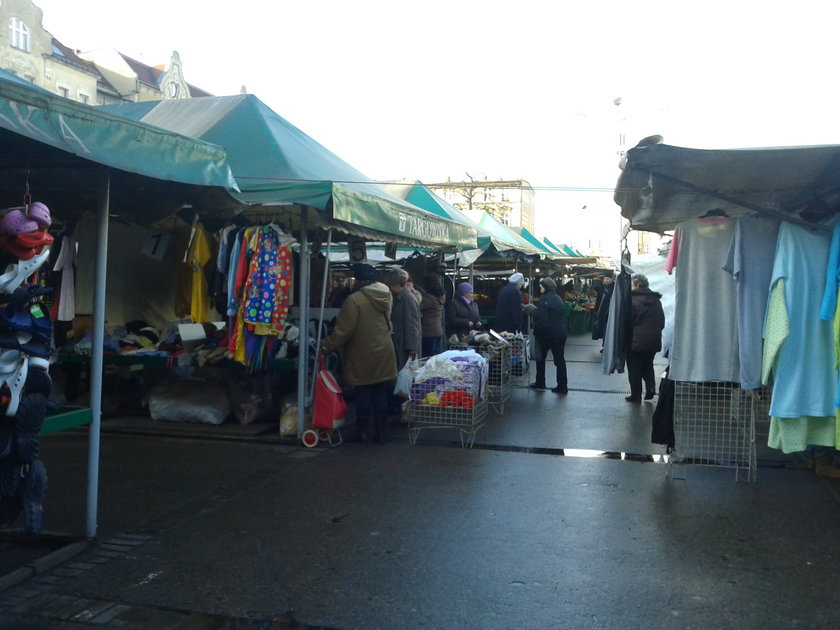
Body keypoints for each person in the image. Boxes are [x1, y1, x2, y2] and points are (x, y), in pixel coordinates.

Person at [320, 264, 397, 444]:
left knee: (363, 392)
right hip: (384, 351)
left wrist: (325, 346)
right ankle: (380, 433)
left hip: (362, 353)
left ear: (360, 280)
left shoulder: (354, 300)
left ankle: (361, 433)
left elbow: (343, 332)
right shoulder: (387, 295)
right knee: (380, 392)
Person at [625, 273, 665, 403]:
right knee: (648, 364)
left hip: (635, 341)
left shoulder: (631, 300)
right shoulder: (656, 300)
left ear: (636, 285)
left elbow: (628, 322)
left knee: (634, 367)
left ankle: (636, 395)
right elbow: (662, 321)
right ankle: (651, 388)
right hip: (653, 340)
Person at [530, 277, 568, 393]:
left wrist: (531, 310)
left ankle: (540, 383)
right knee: (560, 361)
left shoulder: (545, 299)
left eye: (541, 287)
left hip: (546, 335)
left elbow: (538, 315)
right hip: (560, 334)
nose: (540, 289)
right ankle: (562, 386)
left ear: (545, 288)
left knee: (540, 359)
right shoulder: (558, 298)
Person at [384, 268, 421, 369]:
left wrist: (412, 348)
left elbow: (412, 324)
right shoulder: (401, 298)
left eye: (390, 285)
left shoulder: (407, 299)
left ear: (397, 283)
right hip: (401, 342)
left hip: (404, 346)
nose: (389, 288)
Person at [417, 273, 445, 357]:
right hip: (437, 331)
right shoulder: (440, 296)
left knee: (427, 359)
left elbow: (416, 306)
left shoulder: (429, 299)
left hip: (428, 333)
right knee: (434, 358)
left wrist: (415, 292)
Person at [593, 272, 614, 351]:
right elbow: (598, 300)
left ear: (612, 279)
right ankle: (604, 345)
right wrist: (596, 310)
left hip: (611, 313)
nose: (606, 280)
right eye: (605, 279)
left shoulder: (615, 288)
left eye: (607, 279)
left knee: (608, 330)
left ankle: (607, 346)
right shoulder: (601, 288)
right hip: (602, 312)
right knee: (603, 330)